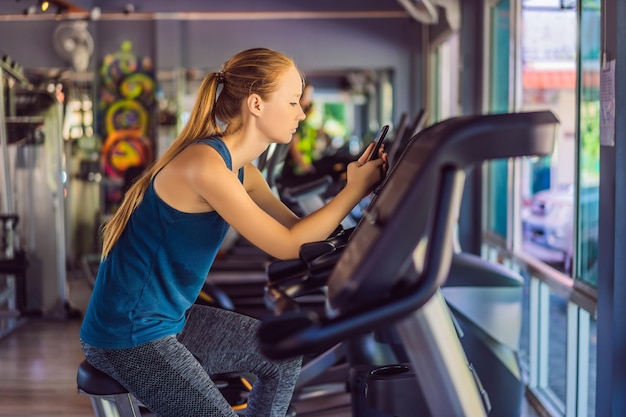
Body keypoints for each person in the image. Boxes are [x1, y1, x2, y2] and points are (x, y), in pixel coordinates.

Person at [79, 46, 387, 417]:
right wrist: (353, 190)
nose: (301, 113)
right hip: (129, 337)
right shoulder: (205, 167)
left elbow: (300, 231)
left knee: (282, 357)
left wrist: (358, 215)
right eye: (292, 102)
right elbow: (289, 246)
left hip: (171, 320)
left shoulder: (243, 172)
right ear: (256, 104)